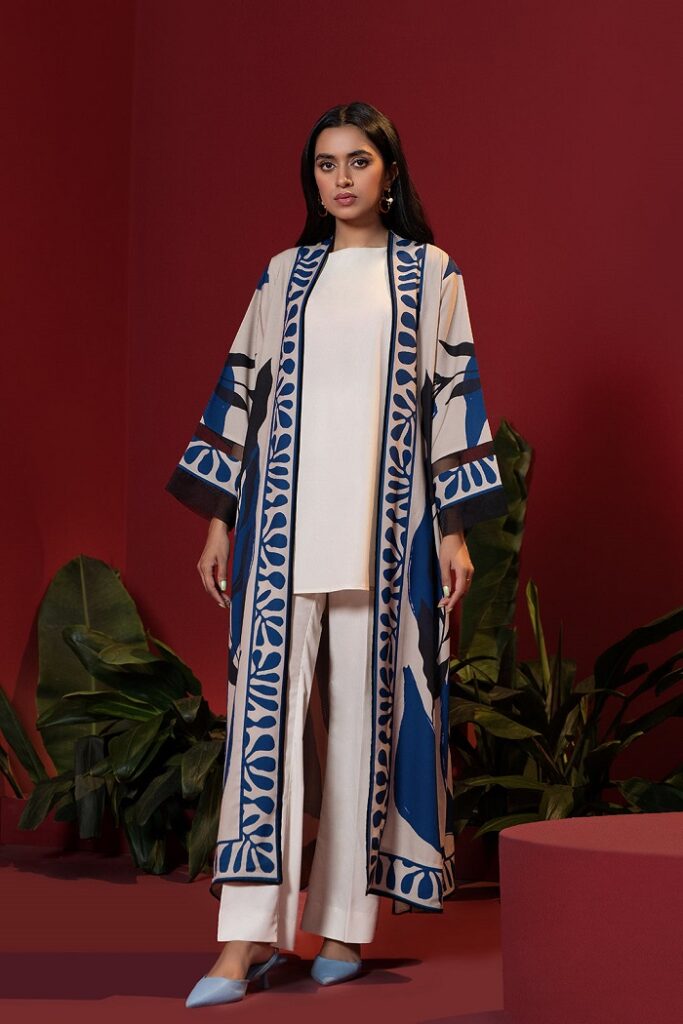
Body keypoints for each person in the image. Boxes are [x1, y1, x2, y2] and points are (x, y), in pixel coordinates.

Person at [166, 100, 509, 1007]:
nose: (342, 178)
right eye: (325, 164)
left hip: (386, 532)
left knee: (366, 722)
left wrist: (453, 529)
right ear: (311, 180)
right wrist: (218, 521)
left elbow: (453, 394)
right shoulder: (285, 275)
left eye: (358, 161)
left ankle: (344, 927)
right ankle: (243, 939)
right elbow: (242, 388)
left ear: (389, 172)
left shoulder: (430, 273)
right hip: (280, 526)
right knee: (263, 727)